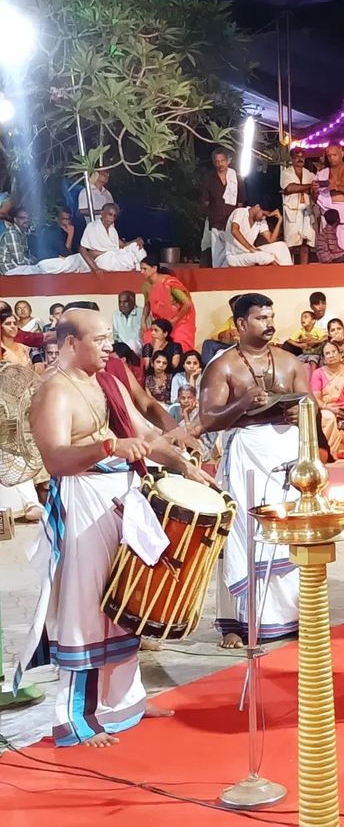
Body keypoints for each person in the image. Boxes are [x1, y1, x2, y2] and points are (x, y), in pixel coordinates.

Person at [20, 308, 209, 746]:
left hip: (120, 499)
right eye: (101, 340)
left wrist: (182, 463)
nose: (111, 347)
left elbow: (143, 434)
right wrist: (108, 445)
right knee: (85, 608)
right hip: (83, 501)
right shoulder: (54, 392)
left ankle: (124, 705)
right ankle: (76, 719)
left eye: (109, 338)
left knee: (125, 601)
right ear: (71, 343)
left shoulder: (106, 380)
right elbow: (55, 460)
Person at [199, 293, 309, 648]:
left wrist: (302, 414)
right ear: (241, 324)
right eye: (261, 318)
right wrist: (242, 404)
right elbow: (207, 419)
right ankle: (237, 623)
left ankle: (290, 615)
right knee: (242, 534)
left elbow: (311, 404)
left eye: (271, 317)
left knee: (286, 531)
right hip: (246, 455)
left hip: (286, 455)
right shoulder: (223, 366)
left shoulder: (291, 361)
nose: (269, 324)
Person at [310, 341, 344, 460]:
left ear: (340, 355)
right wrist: (329, 408)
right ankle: (331, 453)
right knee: (327, 417)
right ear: (323, 359)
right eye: (327, 353)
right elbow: (315, 398)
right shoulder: (318, 374)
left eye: (334, 352)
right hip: (327, 408)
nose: (331, 355)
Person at [199, 149, 246, 268]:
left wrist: (237, 219)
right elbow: (204, 200)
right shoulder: (209, 178)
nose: (220, 164)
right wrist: (211, 213)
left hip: (231, 222)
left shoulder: (236, 178)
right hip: (215, 221)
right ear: (214, 163)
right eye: (217, 161)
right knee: (216, 253)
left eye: (222, 161)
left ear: (228, 161)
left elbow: (240, 202)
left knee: (232, 251)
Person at [141, 255, 196, 351]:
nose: (142, 272)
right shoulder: (146, 286)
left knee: (179, 344)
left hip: (179, 321)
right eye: (141, 269)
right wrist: (143, 320)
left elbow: (187, 303)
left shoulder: (169, 282)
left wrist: (174, 320)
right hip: (162, 323)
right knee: (148, 339)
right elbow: (147, 304)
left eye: (145, 269)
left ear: (154, 268)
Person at [79, 204, 145, 274]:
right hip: (103, 259)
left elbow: (122, 245)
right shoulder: (92, 226)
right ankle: (141, 267)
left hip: (115, 255)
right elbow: (82, 249)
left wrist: (136, 241)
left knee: (136, 246)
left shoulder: (112, 230)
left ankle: (144, 266)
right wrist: (95, 269)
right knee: (128, 259)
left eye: (114, 216)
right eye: (110, 214)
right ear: (102, 213)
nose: (112, 218)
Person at [279, 147, 317, 264]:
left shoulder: (310, 174)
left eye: (302, 157)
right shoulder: (286, 173)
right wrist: (308, 187)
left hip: (306, 209)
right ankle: (288, 266)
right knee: (291, 242)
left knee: (305, 242)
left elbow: (314, 192)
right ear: (292, 158)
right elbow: (289, 188)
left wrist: (310, 188)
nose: (300, 159)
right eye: (297, 157)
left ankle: (303, 269)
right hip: (292, 211)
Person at [224, 204, 292, 267]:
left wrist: (280, 220)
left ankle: (289, 274)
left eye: (266, 216)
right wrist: (251, 248)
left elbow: (271, 240)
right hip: (235, 256)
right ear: (257, 207)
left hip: (250, 252)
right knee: (266, 257)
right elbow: (234, 230)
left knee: (282, 246)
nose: (264, 217)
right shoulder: (240, 212)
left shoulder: (261, 220)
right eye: (263, 214)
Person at [0, 206, 36, 274]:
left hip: (17, 268)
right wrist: (35, 263)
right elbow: (20, 261)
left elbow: (25, 255)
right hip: (8, 269)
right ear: (15, 219)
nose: (26, 220)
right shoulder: (12, 233)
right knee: (40, 272)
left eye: (27, 218)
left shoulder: (23, 233)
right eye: (22, 218)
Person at [111, 291, 143, 356]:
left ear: (133, 301)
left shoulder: (142, 313)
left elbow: (148, 335)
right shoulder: (115, 314)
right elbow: (116, 336)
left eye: (125, 302)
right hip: (122, 352)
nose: (122, 305)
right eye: (120, 302)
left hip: (139, 352)